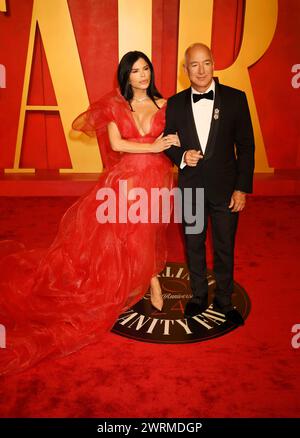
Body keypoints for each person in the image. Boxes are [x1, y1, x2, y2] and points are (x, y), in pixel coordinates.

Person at [0, 51, 180, 375]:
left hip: (157, 177)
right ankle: (151, 282)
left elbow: (176, 139)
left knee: (149, 230)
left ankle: (145, 278)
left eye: (146, 69)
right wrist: (153, 146)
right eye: (135, 71)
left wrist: (176, 145)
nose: (142, 75)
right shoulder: (114, 106)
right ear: (125, 76)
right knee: (129, 232)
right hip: (126, 178)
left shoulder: (166, 104)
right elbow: (119, 145)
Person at [164, 43, 255, 325]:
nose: (201, 70)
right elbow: (168, 140)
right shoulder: (176, 103)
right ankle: (198, 296)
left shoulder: (236, 99)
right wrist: (181, 155)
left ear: (214, 64)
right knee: (193, 244)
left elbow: (247, 147)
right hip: (190, 189)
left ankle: (225, 299)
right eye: (194, 65)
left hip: (226, 190)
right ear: (185, 70)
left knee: (225, 246)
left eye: (206, 63)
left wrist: (241, 188)